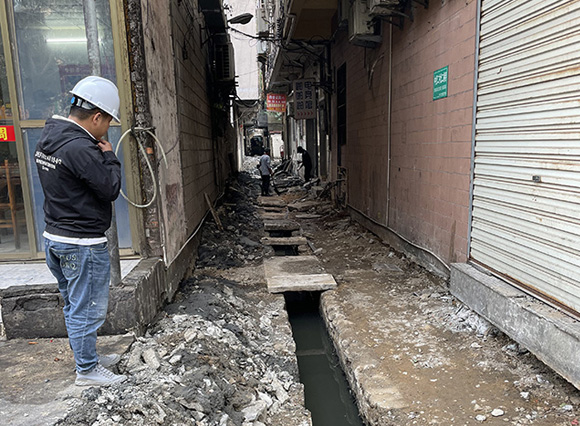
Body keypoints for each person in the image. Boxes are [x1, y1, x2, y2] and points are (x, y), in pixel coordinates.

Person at [35, 76, 127, 386]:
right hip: (80, 243)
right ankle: (87, 370)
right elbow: (110, 187)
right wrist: (109, 156)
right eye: (108, 121)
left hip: (55, 237)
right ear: (96, 117)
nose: (107, 129)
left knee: (75, 305)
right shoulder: (80, 148)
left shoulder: (50, 137)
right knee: (87, 309)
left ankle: (87, 357)